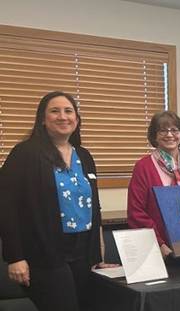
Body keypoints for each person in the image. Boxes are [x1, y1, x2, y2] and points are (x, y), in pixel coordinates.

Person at [0, 91, 114, 311]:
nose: (63, 116)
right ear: (42, 119)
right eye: (55, 111)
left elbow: (94, 206)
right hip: (44, 253)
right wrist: (15, 257)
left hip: (82, 252)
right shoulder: (25, 153)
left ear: (77, 119)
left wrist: (97, 252)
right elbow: (6, 207)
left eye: (68, 111)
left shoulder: (85, 155)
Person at [127, 111, 180, 258]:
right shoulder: (143, 167)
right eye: (163, 130)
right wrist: (160, 245)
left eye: (174, 130)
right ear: (154, 136)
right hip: (160, 250)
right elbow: (136, 212)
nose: (169, 135)